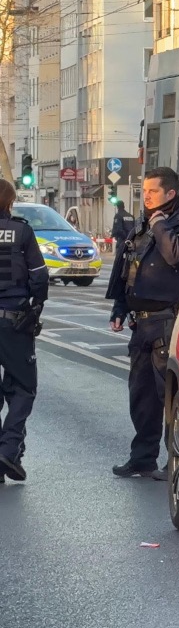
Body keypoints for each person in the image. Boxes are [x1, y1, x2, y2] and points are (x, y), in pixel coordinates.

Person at [107, 166, 179, 479]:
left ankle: (175, 459)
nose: (145, 196)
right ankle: (142, 457)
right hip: (142, 324)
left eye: (152, 192)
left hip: (168, 323)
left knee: (169, 396)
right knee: (141, 396)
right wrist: (120, 307)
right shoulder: (142, 225)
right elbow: (128, 267)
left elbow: (176, 256)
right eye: (144, 191)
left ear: (170, 193)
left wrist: (161, 224)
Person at [0, 179, 48, 483]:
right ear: (9, 202)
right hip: (13, 320)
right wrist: (36, 308)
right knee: (23, 387)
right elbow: (39, 277)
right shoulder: (21, 230)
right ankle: (8, 448)